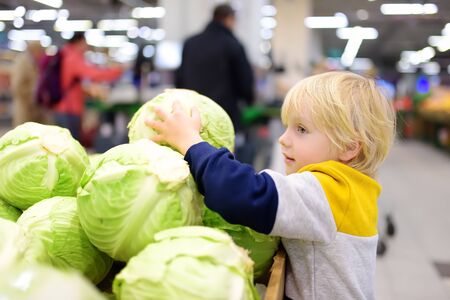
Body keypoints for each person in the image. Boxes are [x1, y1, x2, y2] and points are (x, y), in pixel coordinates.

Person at [146, 71, 396, 299]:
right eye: (287, 126)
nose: (283, 139)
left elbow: (241, 194)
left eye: (301, 129)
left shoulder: (329, 191)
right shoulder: (355, 189)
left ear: (349, 147)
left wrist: (191, 142)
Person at [175, 3, 254, 132]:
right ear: (229, 19)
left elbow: (179, 78)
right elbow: (244, 79)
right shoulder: (233, 44)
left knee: (192, 149)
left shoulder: (190, 43)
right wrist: (248, 101)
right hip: (222, 114)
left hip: (192, 114)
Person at [53, 32, 123, 141]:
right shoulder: (73, 58)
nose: (86, 46)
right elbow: (93, 74)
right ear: (79, 42)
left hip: (64, 107)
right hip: (69, 109)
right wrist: (117, 71)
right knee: (71, 144)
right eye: (85, 43)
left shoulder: (65, 55)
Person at [10, 41, 45, 127]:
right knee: (23, 131)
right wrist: (32, 93)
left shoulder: (37, 63)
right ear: (33, 51)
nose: (42, 54)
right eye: (40, 51)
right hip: (24, 105)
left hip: (36, 106)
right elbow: (16, 87)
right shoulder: (22, 63)